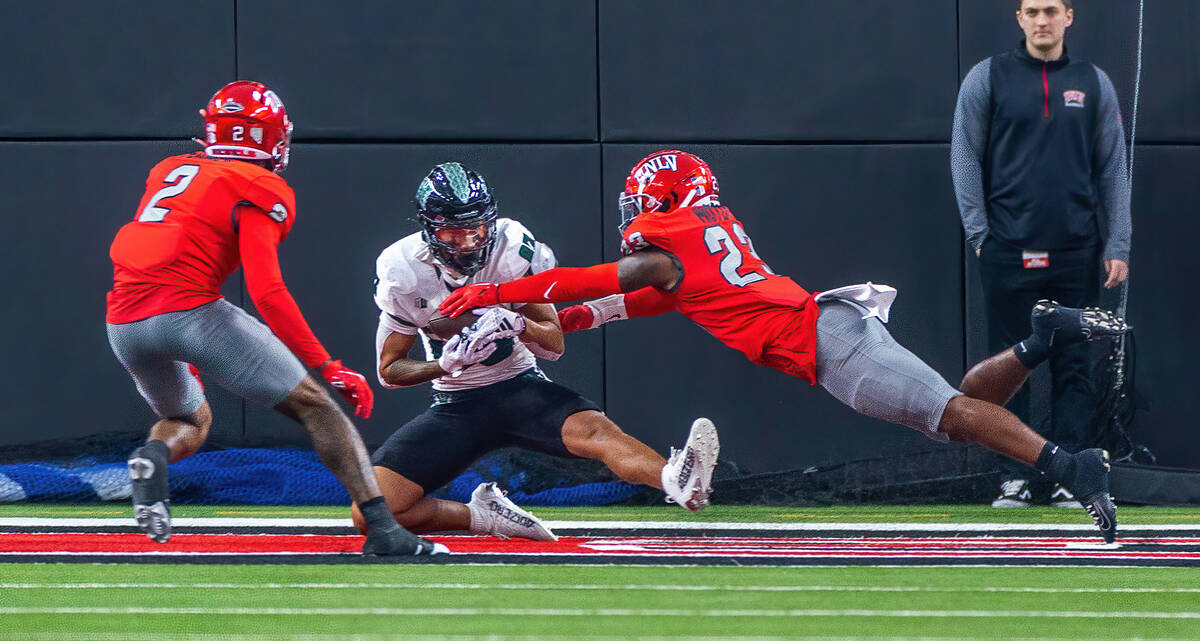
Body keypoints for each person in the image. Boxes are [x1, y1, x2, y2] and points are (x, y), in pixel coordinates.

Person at [439, 150, 1129, 544]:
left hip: (830, 345)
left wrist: (489, 294)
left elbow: (590, 279)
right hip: (831, 331)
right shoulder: (697, 237)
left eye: (640, 202)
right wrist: (563, 322)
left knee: (952, 414)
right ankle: (1038, 339)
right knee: (957, 412)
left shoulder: (670, 245)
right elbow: (633, 299)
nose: (632, 217)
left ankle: (1075, 463)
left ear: (666, 197)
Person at [106, 81, 442, 555]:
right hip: (188, 310)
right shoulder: (260, 186)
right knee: (318, 405)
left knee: (187, 416)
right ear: (268, 138)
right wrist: (328, 367)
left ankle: (153, 454)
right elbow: (267, 292)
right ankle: (386, 532)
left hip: (124, 323)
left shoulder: (168, 170)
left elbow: (150, 252)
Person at [350, 162, 719, 540]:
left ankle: (676, 480)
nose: (468, 244)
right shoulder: (402, 269)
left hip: (519, 386)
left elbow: (554, 345)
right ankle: (484, 516)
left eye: (476, 231)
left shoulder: (512, 249)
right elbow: (389, 371)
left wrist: (519, 324)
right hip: (456, 404)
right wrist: (443, 364)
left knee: (597, 432)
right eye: (453, 233)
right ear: (429, 229)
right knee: (370, 513)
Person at [951, 0, 1132, 508]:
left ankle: (1070, 473)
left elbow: (1113, 168)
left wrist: (1118, 244)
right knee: (1014, 366)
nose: (1041, 20)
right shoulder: (989, 77)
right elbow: (964, 153)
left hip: (1077, 249)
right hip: (1007, 248)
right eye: (1032, 11)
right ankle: (1017, 475)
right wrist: (979, 235)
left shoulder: (1092, 81)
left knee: (1074, 363)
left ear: (1068, 17)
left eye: (1051, 10)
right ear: (1020, 18)